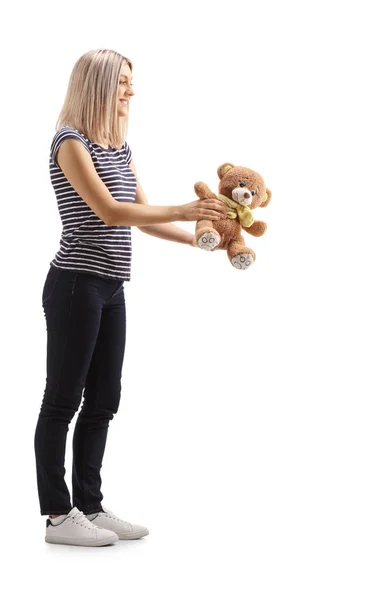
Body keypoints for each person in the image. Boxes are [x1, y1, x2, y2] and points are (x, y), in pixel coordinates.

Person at [34, 49, 227, 547]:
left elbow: (140, 212)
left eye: (130, 81)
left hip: (112, 287)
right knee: (63, 400)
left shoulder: (118, 146)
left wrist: (198, 238)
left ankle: (90, 506)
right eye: (122, 82)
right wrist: (187, 207)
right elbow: (110, 212)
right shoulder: (69, 143)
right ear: (97, 85)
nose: (131, 91)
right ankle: (58, 516)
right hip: (75, 285)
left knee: (103, 400)